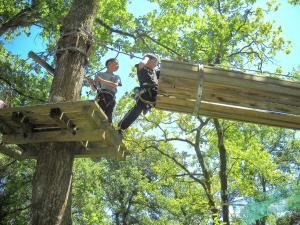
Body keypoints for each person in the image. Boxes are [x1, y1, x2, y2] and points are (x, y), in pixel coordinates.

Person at [117, 53, 160, 135]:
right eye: (154, 61)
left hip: (154, 93)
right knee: (137, 110)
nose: (156, 64)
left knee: (138, 110)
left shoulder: (154, 72)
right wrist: (146, 57)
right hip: (146, 92)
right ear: (148, 60)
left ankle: (121, 127)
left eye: (156, 63)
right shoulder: (142, 68)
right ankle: (121, 127)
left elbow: (166, 73)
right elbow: (142, 64)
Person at [87, 58, 122, 123]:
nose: (118, 65)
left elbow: (114, 85)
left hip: (111, 98)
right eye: (116, 63)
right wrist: (91, 83)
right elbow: (94, 89)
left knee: (108, 119)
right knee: (97, 116)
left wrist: (101, 80)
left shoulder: (116, 76)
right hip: (101, 96)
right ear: (109, 64)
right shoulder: (99, 74)